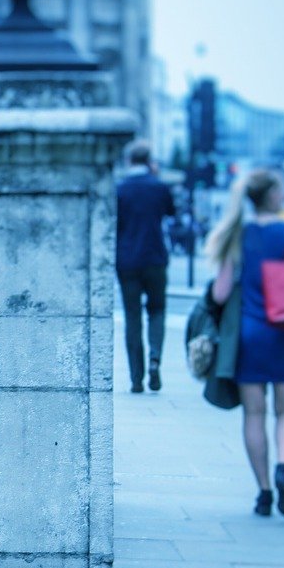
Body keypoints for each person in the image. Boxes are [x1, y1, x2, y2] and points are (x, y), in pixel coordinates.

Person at [206, 167, 284, 518]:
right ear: (272, 195)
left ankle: (264, 492)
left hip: (249, 335)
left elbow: (220, 293)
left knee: (254, 414)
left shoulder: (237, 235)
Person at [115, 140, 177, 393]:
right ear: (149, 160)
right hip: (155, 257)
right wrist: (156, 175)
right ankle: (155, 359)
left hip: (127, 260)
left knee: (132, 317)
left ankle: (136, 378)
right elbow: (171, 212)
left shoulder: (120, 189)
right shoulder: (159, 187)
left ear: (129, 160)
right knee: (157, 310)